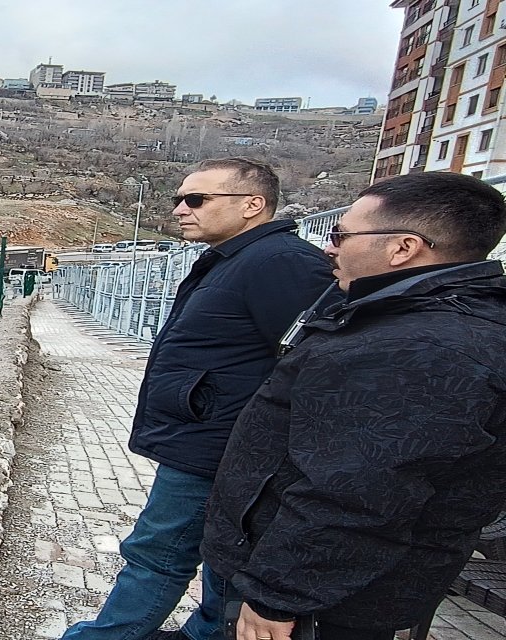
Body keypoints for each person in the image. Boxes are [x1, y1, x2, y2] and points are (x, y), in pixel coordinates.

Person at [201, 171, 506, 640]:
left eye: (341, 234)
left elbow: (355, 493)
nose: (329, 247)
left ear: (402, 247)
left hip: (320, 603)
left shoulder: (420, 349)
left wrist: (276, 597)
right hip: (333, 590)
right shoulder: (422, 321)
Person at [62, 157, 336, 640]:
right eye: (178, 199)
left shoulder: (280, 263)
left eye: (196, 199)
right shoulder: (239, 259)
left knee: (159, 552)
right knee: (212, 558)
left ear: (253, 205)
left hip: (221, 446)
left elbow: (314, 367)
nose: (180, 210)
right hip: (211, 438)